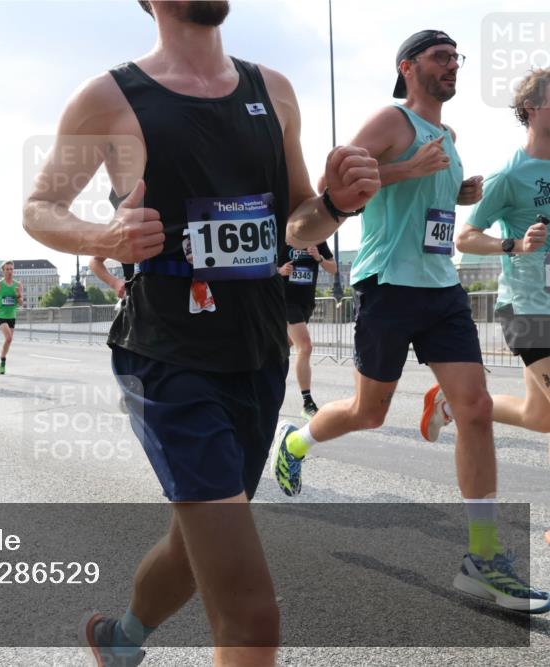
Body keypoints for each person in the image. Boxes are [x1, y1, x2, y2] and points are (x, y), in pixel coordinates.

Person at [22, 1, 379, 662]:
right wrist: (102, 236)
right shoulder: (108, 96)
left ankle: (120, 639)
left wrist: (334, 204)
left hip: (259, 348)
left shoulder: (274, 90)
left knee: (197, 544)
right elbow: (39, 207)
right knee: (251, 613)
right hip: (167, 356)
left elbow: (297, 223)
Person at [271, 31, 548, 613]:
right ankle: (296, 441)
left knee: (473, 408)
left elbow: (434, 207)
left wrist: (461, 190)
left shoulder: (448, 135)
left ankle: (483, 557)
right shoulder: (392, 120)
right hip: (388, 287)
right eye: (439, 57)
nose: (452, 66)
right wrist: (409, 168)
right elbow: (333, 190)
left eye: (456, 58)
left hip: (442, 287)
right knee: (369, 412)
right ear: (409, 67)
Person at [422, 69, 550, 591]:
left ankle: (453, 404)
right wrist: (514, 246)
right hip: (529, 308)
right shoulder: (509, 175)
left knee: (542, 419)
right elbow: (465, 236)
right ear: (536, 108)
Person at [277, 242, 336, 419]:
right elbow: (264, 267)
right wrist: (280, 271)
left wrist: (319, 258)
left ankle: (265, 382)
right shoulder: (283, 237)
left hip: (306, 303)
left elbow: (333, 268)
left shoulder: (317, 238)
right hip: (286, 301)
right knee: (305, 347)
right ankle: (307, 402)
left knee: (282, 349)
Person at [0, 261, 23, 375]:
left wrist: (18, 295)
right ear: (3, 271)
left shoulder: (18, 285)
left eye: (11, 269)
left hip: (12, 315)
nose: (10, 271)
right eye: (7, 269)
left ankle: (0, 360)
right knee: (8, 338)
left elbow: (21, 303)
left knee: (8, 341)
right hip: (1, 315)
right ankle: (3, 362)